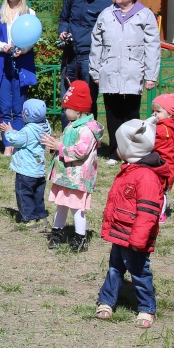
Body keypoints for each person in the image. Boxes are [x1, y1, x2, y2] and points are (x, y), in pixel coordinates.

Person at [94, 115, 170, 329]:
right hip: (120, 233)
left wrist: (139, 239)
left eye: (119, 145)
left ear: (130, 149)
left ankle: (146, 307)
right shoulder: (130, 169)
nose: (116, 149)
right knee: (114, 268)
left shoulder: (145, 176)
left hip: (136, 238)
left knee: (139, 271)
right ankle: (107, 300)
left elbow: (147, 212)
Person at [90, 0, 160, 164]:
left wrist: (151, 75)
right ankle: (115, 152)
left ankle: (132, 152)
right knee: (112, 113)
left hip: (132, 71)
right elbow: (96, 43)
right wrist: (95, 70)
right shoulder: (106, 13)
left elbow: (152, 47)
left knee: (131, 114)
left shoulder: (144, 15)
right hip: (109, 70)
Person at [41, 81, 104, 251]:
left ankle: (80, 238)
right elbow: (66, 143)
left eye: (66, 108)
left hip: (77, 177)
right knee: (61, 204)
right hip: (65, 176)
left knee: (77, 208)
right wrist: (56, 143)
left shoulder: (87, 130)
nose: (64, 111)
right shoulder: (72, 125)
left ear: (78, 111)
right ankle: (57, 232)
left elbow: (80, 151)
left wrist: (59, 147)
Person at [56, 0, 112, 124]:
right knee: (67, 97)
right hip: (70, 55)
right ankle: (67, 138)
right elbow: (64, 19)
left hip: (90, 58)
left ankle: (87, 140)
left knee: (87, 100)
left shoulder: (106, 4)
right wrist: (63, 32)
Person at [0, 0, 38, 154]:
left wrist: (23, 49)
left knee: (18, 108)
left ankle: (16, 143)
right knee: (4, 108)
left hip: (22, 63)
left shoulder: (29, 14)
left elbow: (32, 38)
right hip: (2, 62)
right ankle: (7, 145)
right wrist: (4, 46)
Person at [0, 99, 50, 226]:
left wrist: (8, 131)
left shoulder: (27, 130)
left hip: (26, 170)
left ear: (28, 115)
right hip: (39, 169)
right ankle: (41, 216)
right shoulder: (45, 126)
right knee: (38, 195)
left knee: (24, 194)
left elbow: (16, 140)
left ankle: (29, 218)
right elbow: (26, 139)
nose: (21, 113)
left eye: (23, 112)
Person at [150, 92, 174, 223]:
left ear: (170, 114)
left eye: (158, 111)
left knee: (160, 190)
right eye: (152, 111)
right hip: (164, 164)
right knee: (159, 190)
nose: (154, 114)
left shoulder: (162, 129)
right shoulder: (169, 127)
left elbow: (151, 144)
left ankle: (160, 213)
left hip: (162, 165)